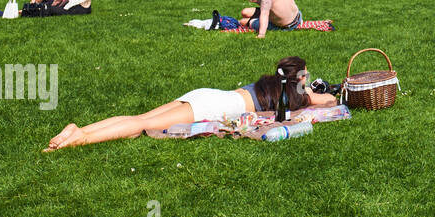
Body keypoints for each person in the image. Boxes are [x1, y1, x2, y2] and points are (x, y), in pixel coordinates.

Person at [44, 56, 336, 151]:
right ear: (299, 77)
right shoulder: (297, 97)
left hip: (206, 95)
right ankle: (80, 139)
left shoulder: (268, 85)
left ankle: (78, 129)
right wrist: (308, 88)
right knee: (143, 125)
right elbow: (330, 100)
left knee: (140, 117)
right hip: (212, 107)